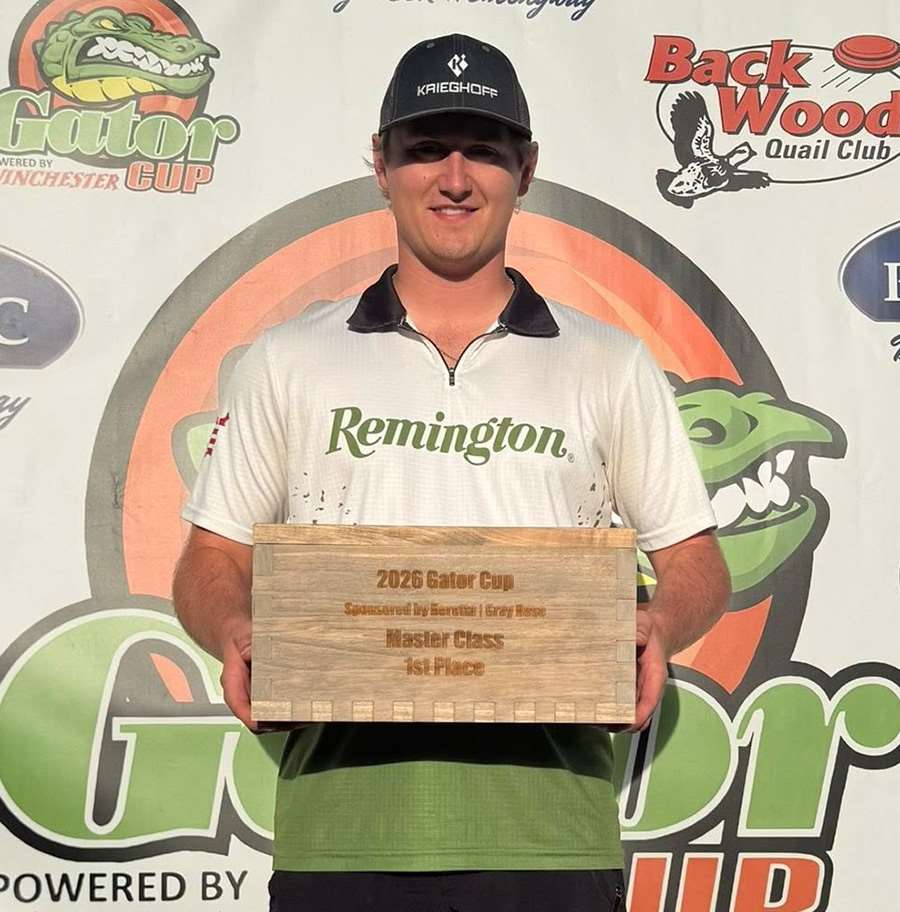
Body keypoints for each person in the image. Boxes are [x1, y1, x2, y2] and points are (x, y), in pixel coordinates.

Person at [173, 33, 731, 912]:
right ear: (382, 164)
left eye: (485, 149)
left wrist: (659, 619)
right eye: (427, 147)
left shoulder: (611, 363)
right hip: (340, 834)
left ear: (527, 167)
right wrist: (235, 625)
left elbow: (697, 560)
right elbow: (209, 560)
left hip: (553, 834)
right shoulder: (287, 360)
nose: (456, 177)